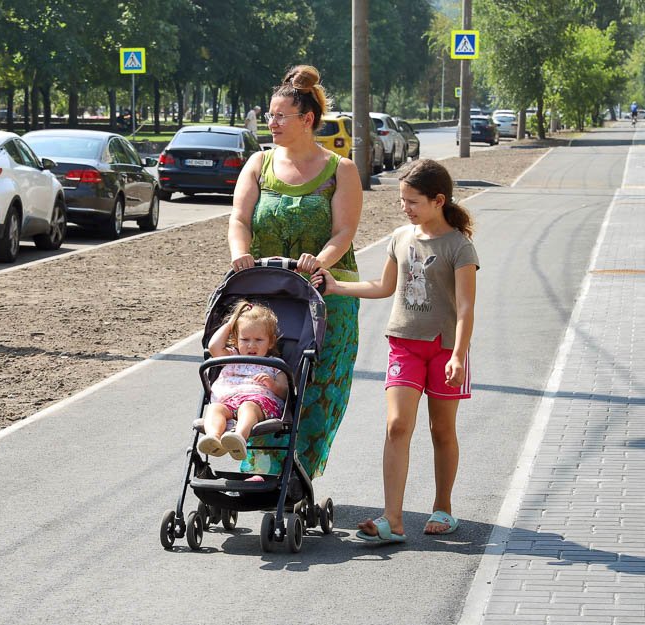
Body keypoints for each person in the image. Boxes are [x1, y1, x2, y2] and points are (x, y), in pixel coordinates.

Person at [311, 159, 478, 543]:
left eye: (413, 201)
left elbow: (466, 309)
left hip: (444, 350)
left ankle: (443, 508)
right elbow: (384, 287)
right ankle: (392, 520)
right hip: (404, 345)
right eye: (402, 200)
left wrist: (457, 356)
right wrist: (336, 287)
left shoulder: (459, 246)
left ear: (439, 200)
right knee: (397, 425)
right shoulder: (400, 237)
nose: (405, 207)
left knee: (441, 430)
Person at [228, 64, 362, 480]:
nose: (271, 123)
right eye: (269, 114)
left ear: (307, 120)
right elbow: (239, 218)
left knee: (315, 386)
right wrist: (240, 252)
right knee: (259, 378)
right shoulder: (258, 163)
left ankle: (297, 472)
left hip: (325, 295)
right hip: (266, 293)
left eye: (279, 115)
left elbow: (344, 231)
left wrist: (320, 260)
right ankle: (261, 469)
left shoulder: (340, 169)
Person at [198, 301, 289, 462]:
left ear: (271, 342)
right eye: (245, 339)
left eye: (259, 340)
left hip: (260, 404)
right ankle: (214, 438)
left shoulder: (274, 364)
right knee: (214, 408)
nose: (251, 345)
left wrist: (272, 385)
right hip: (228, 401)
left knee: (248, 407)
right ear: (235, 340)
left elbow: (285, 391)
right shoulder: (233, 356)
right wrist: (232, 322)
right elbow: (213, 347)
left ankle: (239, 436)